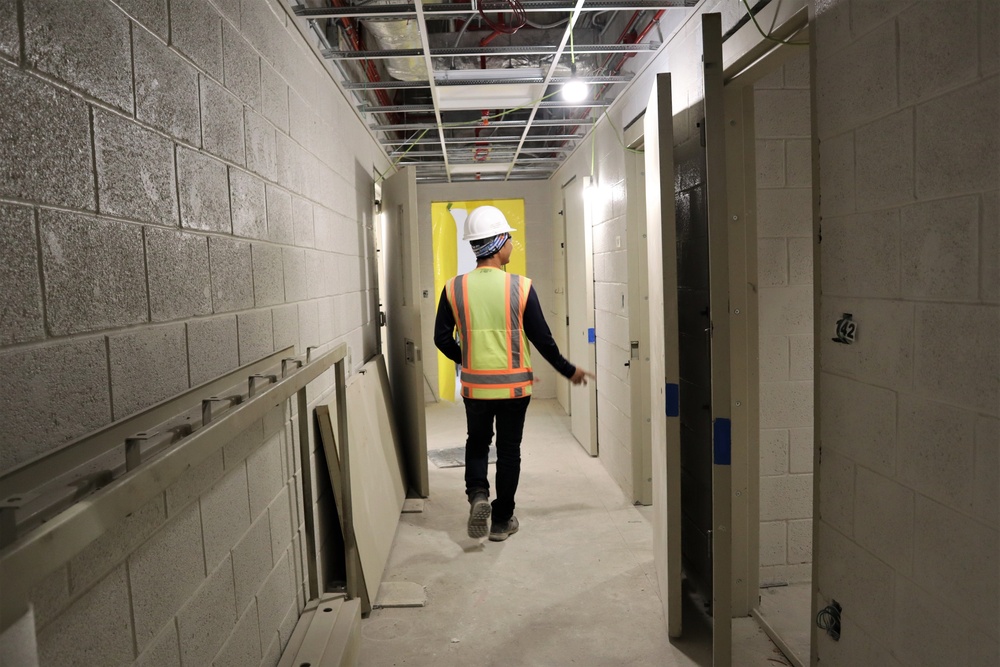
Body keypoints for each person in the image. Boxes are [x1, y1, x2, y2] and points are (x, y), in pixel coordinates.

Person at [433, 205, 594, 542]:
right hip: (514, 390)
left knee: (477, 444)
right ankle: (501, 520)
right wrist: (569, 370)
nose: (512, 247)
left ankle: (477, 494)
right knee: (508, 451)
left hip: (475, 387)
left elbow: (441, 338)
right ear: (499, 242)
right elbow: (542, 339)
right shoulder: (520, 286)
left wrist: (466, 358)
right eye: (509, 240)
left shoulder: (454, 288)